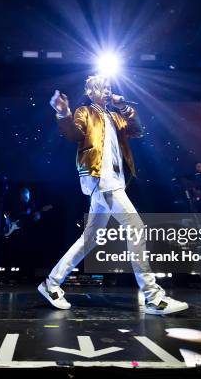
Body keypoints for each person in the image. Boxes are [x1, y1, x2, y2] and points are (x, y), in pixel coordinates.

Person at [38, 75, 188, 315]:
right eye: (102, 88)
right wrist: (63, 113)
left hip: (115, 181)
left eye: (109, 88)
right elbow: (74, 135)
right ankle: (152, 296)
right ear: (90, 92)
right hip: (101, 180)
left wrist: (123, 105)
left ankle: (51, 283)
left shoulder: (116, 115)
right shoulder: (85, 111)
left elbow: (138, 130)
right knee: (136, 228)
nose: (107, 91)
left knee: (90, 239)